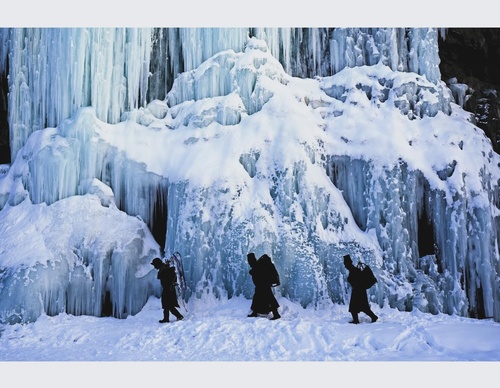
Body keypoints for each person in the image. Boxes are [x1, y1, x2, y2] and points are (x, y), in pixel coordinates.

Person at [343, 254, 378, 324]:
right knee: (359, 307)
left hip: (358, 291)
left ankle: (372, 317)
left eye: (346, 264)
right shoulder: (354, 269)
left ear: (349, 263)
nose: (345, 266)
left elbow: (356, 280)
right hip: (359, 291)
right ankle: (360, 319)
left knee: (357, 307)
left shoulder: (354, 270)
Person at [247, 252, 281, 320]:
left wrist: (252, 271)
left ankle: (276, 314)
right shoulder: (257, 265)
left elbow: (257, 272)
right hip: (261, 285)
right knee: (257, 298)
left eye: (249, 260)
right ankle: (255, 312)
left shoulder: (258, 265)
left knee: (269, 298)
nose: (249, 262)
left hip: (264, 285)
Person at [151, 257, 184, 323]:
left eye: (154, 265)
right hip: (168, 288)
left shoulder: (164, 269)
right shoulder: (163, 268)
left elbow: (168, 279)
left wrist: (170, 286)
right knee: (168, 305)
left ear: (157, 264)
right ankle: (175, 317)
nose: (154, 267)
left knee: (167, 304)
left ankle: (174, 317)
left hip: (168, 289)